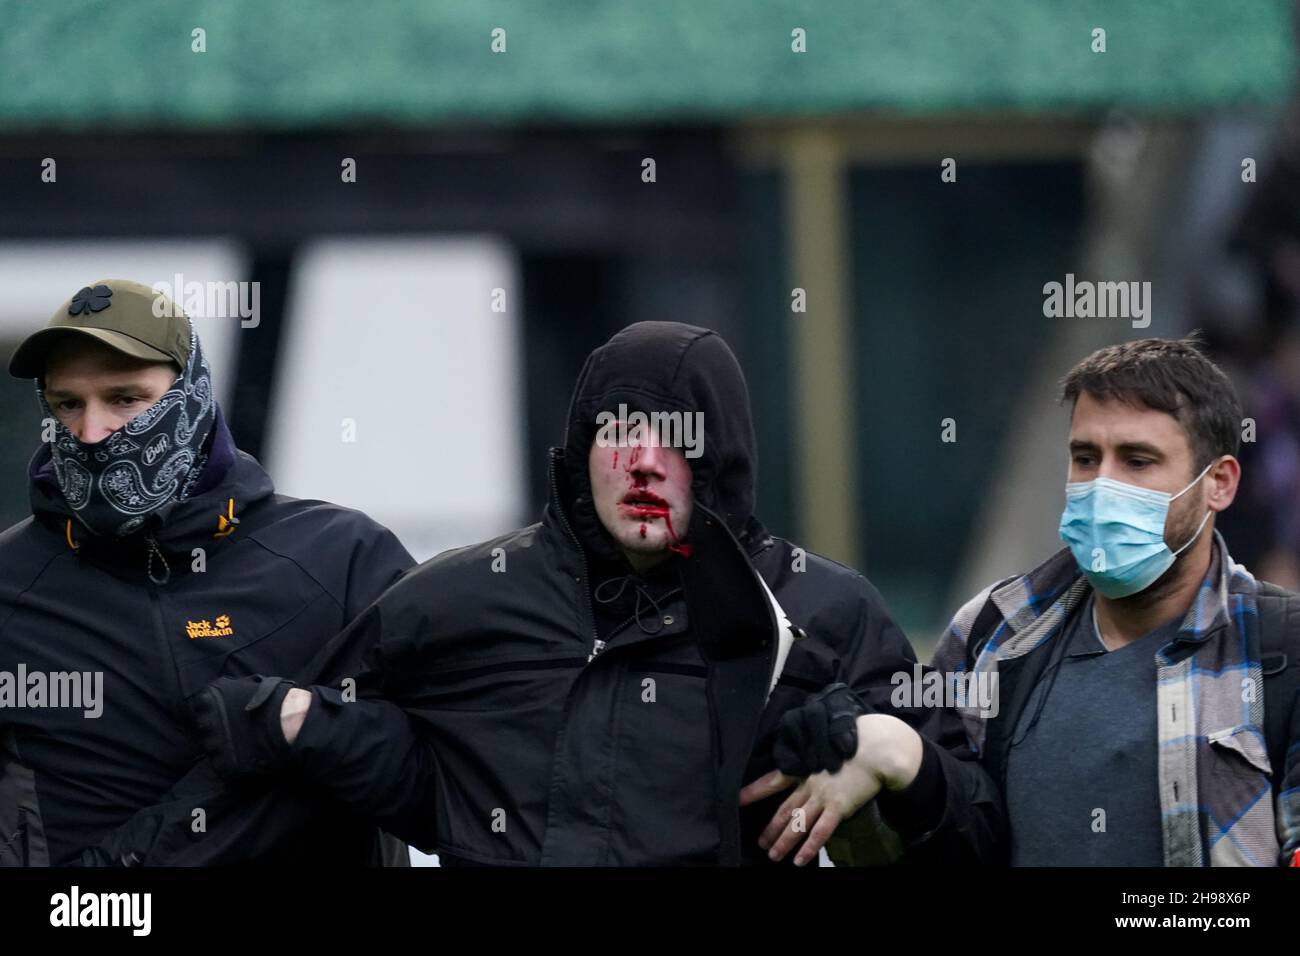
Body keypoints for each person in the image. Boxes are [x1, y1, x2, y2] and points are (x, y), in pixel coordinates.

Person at [191, 321, 1004, 866]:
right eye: (618, 429)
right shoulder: (461, 599)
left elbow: (975, 837)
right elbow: (353, 759)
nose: (643, 461)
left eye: (676, 435)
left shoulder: (823, 612)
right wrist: (286, 721)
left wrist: (896, 759)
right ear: (582, 450)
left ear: (721, 455)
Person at [0, 279, 414, 866]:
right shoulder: (10, 588)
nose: (91, 433)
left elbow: (450, 774)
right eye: (68, 404)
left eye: (125, 398)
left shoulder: (341, 557)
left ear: (192, 393)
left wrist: (306, 726)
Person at [932, 337, 1300, 866]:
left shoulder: (1281, 650)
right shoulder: (995, 629)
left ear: (1218, 483)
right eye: (1085, 458)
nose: (1101, 486)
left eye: (1137, 461)